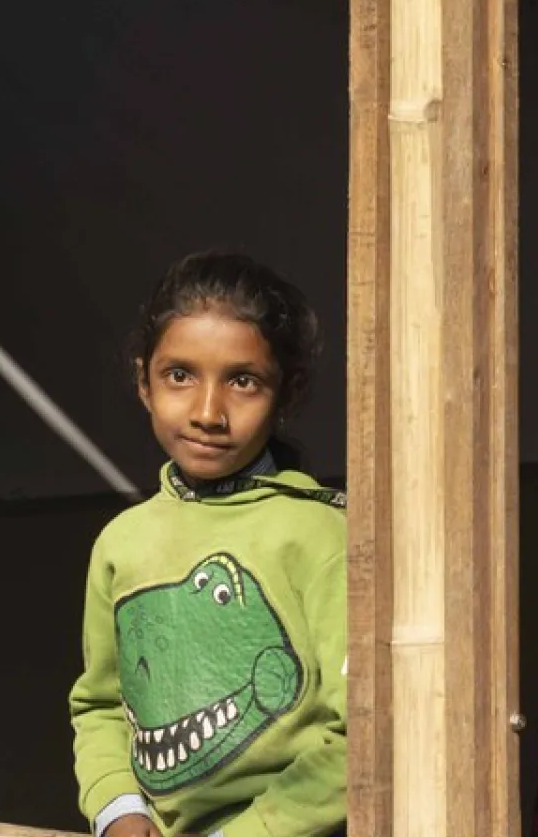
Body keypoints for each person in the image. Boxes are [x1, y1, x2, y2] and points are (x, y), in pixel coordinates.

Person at [70, 251, 348, 837]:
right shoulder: (122, 543)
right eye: (180, 375)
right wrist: (118, 808)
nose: (207, 412)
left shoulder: (322, 536)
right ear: (143, 380)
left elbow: (361, 732)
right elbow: (99, 706)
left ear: (286, 392)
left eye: (242, 381)